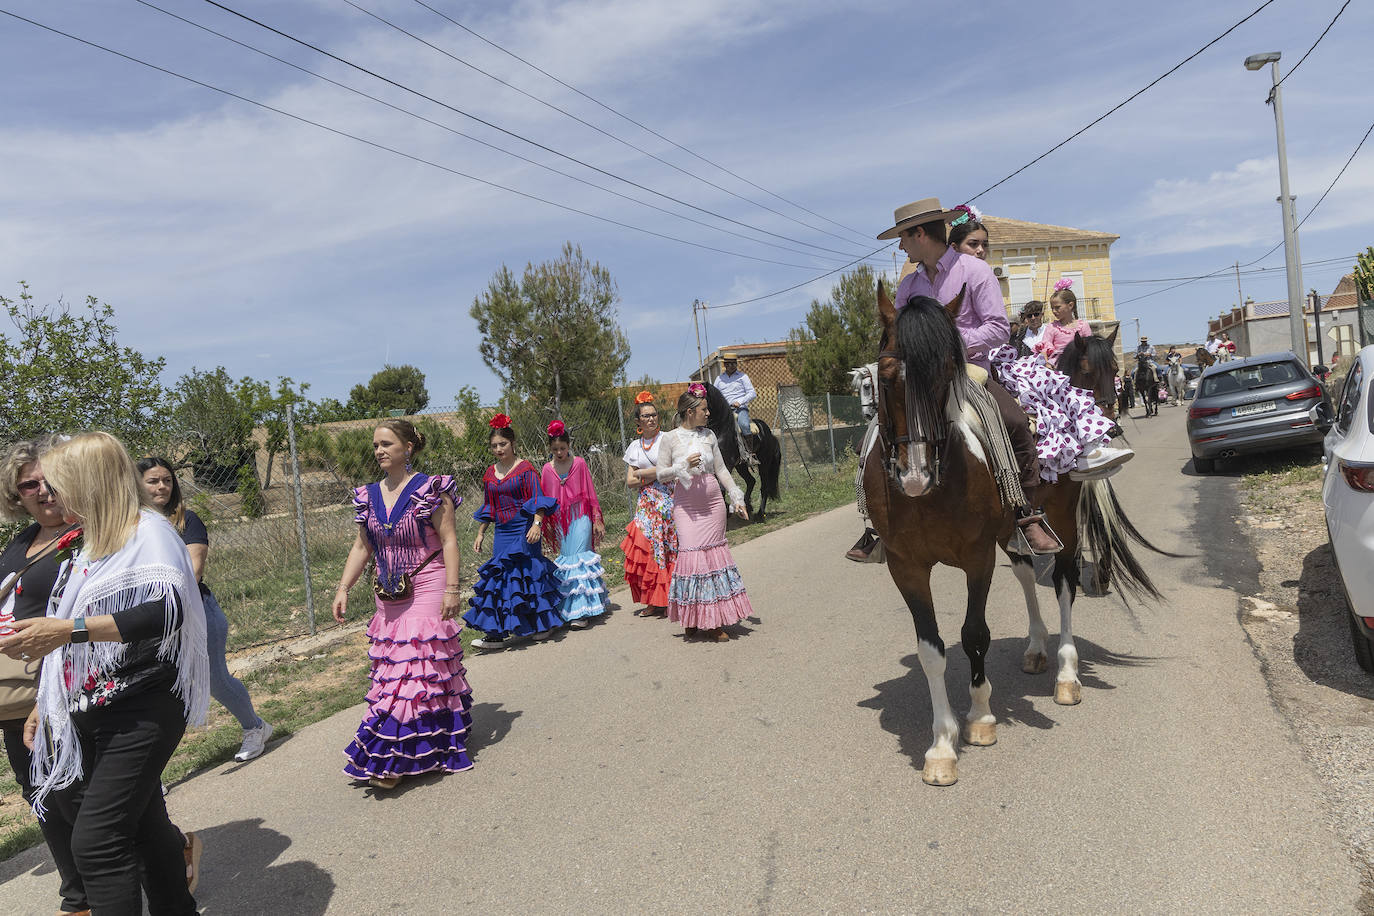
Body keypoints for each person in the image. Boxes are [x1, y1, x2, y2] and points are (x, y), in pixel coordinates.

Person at [2, 432, 208, 916]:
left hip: (143, 704)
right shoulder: (93, 542)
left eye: (59, 482)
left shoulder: (148, 531)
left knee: (96, 842)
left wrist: (70, 630)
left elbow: (168, 612)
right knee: (144, 827)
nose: (52, 494)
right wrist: (43, 703)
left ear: (89, 481)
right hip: (96, 704)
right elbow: (64, 641)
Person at [332, 419, 471, 790]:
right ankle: (419, 744)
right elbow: (363, 547)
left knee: (420, 667)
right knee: (394, 673)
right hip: (388, 591)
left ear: (408, 447)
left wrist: (452, 589)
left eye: (387, 443)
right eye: (375, 444)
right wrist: (344, 587)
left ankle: (399, 756)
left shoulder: (430, 490)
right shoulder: (367, 496)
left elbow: (450, 540)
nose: (379, 450)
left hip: (428, 582)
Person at [0, 438, 89, 916]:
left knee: (76, 795)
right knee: (40, 795)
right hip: (15, 693)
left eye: (48, 479)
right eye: (28, 484)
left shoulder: (87, 535)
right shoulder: (20, 542)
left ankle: (86, 896)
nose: (41, 491)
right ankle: (79, 891)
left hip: (62, 685)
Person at [138, 457, 274, 764]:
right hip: (150, 620)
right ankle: (149, 771)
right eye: (153, 481)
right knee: (156, 690)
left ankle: (255, 727)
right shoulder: (128, 527)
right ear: (137, 485)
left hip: (196, 613)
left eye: (167, 480)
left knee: (214, 680)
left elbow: (193, 572)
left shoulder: (186, 520)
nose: (162, 486)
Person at [656, 385, 752, 641]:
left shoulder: (709, 435)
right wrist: (682, 465)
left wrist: (736, 497)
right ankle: (692, 617)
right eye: (703, 409)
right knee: (692, 558)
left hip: (712, 501)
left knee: (713, 558)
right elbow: (660, 474)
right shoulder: (669, 438)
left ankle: (713, 621)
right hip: (686, 505)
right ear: (690, 412)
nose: (708, 413)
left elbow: (721, 470)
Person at [463, 415, 564, 650]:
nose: (499, 449)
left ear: (512, 443)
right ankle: (496, 633)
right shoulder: (489, 473)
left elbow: (538, 499)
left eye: (503, 444)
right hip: (502, 531)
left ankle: (542, 624)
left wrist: (537, 524)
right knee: (499, 577)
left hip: (525, 528)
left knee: (528, 575)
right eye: (494, 446)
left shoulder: (526, 469)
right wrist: (481, 533)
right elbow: (489, 506)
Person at [540, 420, 608, 629]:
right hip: (560, 520)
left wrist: (596, 519)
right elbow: (545, 499)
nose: (559, 452)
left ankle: (582, 612)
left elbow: (590, 493)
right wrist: (546, 524)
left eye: (563, 448)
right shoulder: (546, 469)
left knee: (579, 559)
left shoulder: (579, 463)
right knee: (567, 559)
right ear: (549, 449)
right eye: (555, 449)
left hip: (580, 516)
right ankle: (578, 606)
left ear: (569, 446)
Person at [620, 393, 678, 617]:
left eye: (654, 415)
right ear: (638, 422)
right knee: (648, 550)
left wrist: (643, 473)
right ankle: (653, 600)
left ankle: (672, 597)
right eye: (646, 416)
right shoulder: (635, 446)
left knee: (669, 548)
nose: (651, 419)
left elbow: (672, 468)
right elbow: (630, 481)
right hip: (646, 506)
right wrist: (656, 474)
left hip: (668, 502)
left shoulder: (668, 439)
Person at [1034, 280, 1093, 363]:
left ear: (1070, 305)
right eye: (1052, 308)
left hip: (1079, 363)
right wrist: (1047, 363)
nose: (1054, 311)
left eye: (1057, 307)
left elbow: (1090, 347)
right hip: (1058, 365)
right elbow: (1044, 349)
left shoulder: (1083, 326)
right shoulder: (1052, 327)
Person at [715, 353, 757, 458]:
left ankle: (750, 453)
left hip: (740, 409)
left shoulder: (743, 377)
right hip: (725, 410)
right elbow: (715, 394)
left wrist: (740, 401)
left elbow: (752, 393)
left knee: (744, 425)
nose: (731, 366)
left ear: (736, 364)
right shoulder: (719, 379)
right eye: (729, 363)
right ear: (725, 364)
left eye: (734, 363)